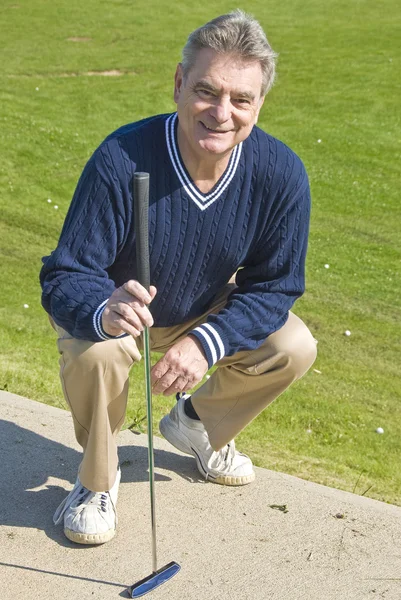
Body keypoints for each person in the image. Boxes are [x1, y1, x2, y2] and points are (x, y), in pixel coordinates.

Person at [40, 10, 317, 545]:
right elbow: (66, 272)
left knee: (294, 344)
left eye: (241, 99)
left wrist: (205, 342)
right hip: (120, 314)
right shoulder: (121, 157)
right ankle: (97, 481)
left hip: (202, 309)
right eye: (207, 91)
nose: (221, 113)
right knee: (96, 352)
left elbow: (276, 287)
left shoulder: (282, 173)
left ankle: (197, 425)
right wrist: (103, 307)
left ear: (259, 104)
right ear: (177, 84)